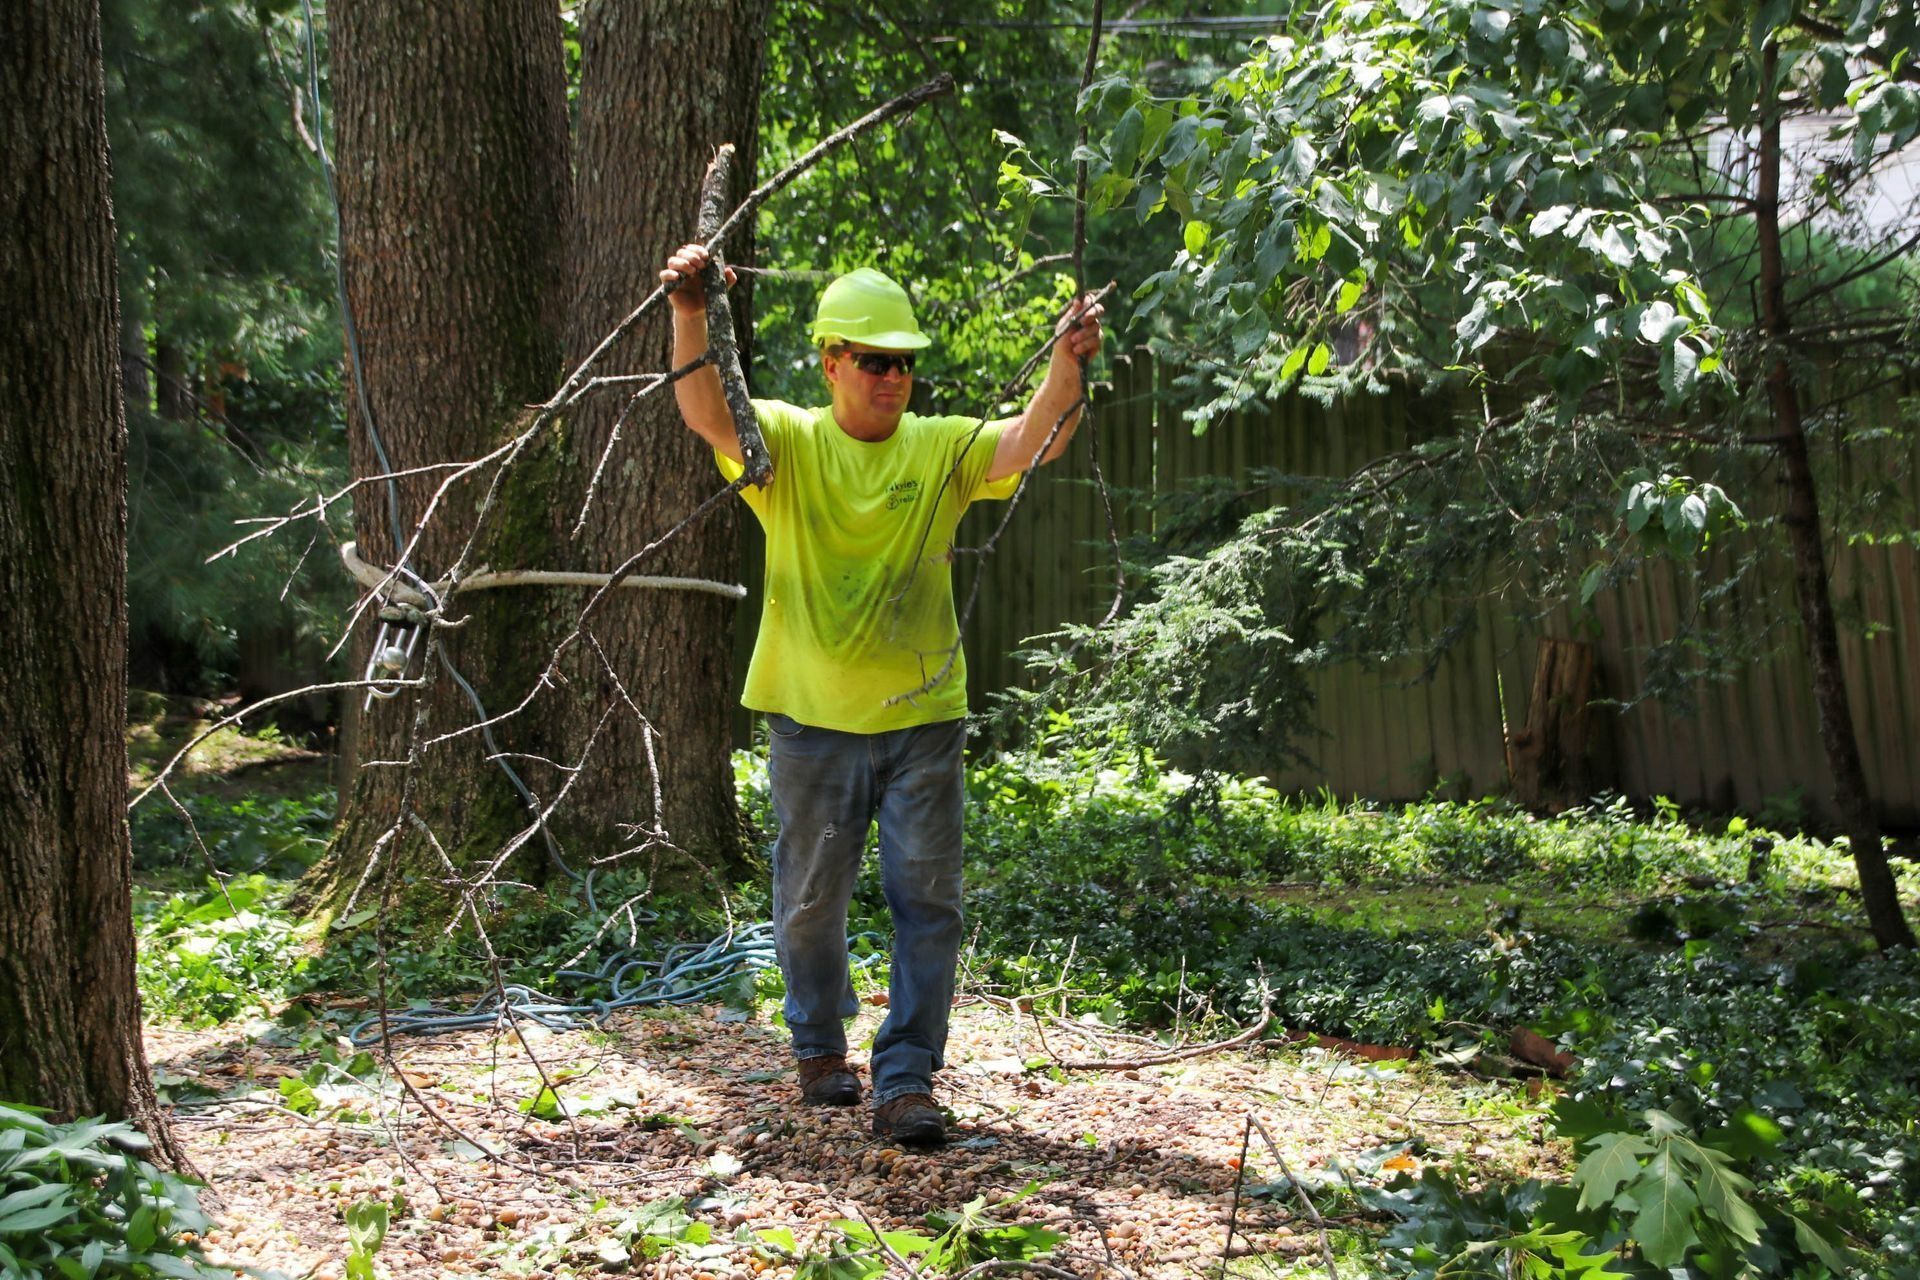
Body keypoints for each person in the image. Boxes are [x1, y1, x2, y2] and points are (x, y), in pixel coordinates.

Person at [661, 245, 1103, 1145]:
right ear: (832, 363)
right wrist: (689, 310)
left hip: (922, 725)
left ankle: (907, 1078)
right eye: (875, 360)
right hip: (812, 725)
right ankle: (821, 1049)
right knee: (811, 900)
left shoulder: (942, 449)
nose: (893, 377)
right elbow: (706, 410)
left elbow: (1033, 441)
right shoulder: (786, 441)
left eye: (905, 362)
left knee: (927, 902)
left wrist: (1066, 363)